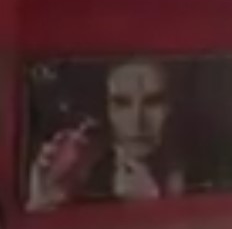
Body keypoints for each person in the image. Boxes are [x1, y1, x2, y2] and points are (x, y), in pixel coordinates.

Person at [27, 59, 186, 210]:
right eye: (121, 103)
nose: (137, 121)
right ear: (106, 109)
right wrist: (44, 199)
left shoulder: (204, 172)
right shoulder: (86, 181)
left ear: (172, 105)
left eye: (153, 102)